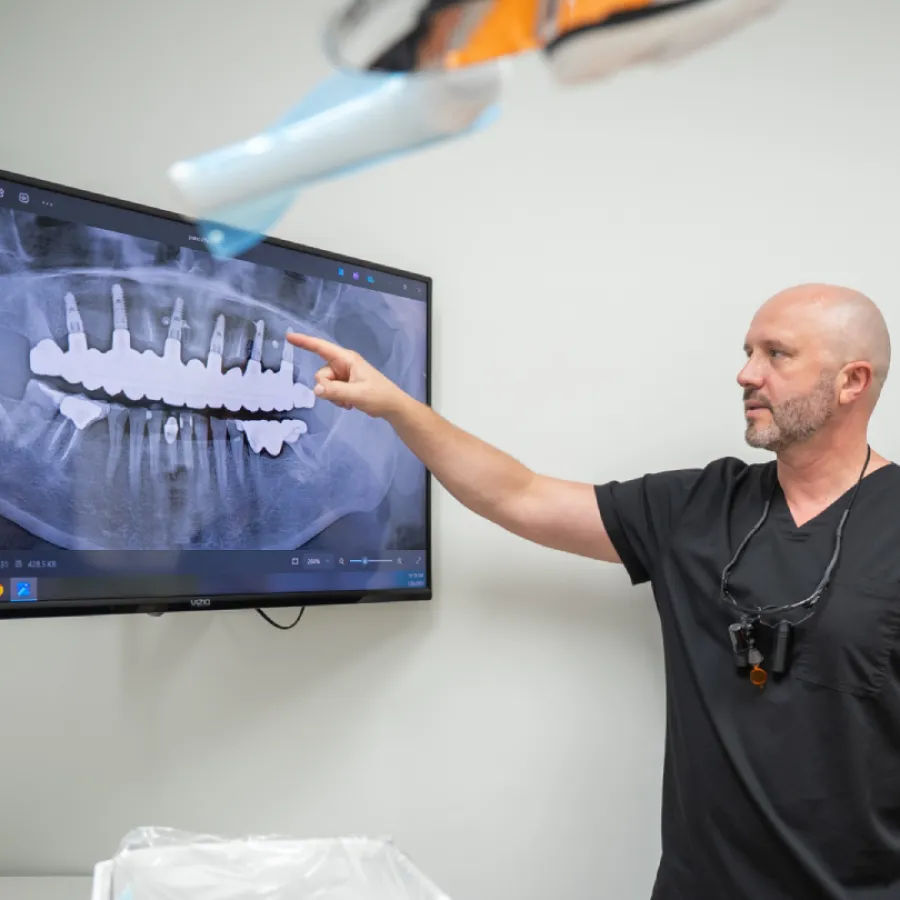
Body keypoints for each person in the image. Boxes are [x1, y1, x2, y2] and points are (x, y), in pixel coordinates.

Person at [287, 282, 900, 900]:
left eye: (777, 354)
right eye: (747, 351)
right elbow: (518, 495)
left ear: (851, 382)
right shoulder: (698, 507)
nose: (746, 373)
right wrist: (396, 406)